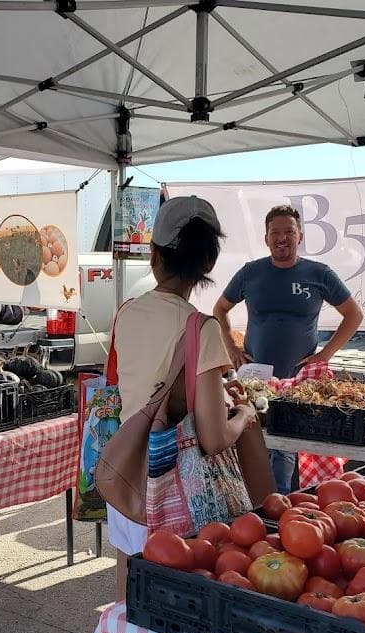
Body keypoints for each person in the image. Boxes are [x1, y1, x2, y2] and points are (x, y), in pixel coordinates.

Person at [107, 196, 258, 600]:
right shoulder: (201, 328)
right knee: (175, 600)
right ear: (208, 263)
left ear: (154, 254)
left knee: (129, 590)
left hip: (128, 470)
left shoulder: (126, 312)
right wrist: (244, 414)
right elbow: (214, 438)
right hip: (175, 486)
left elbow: (140, 383)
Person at [213, 204, 363, 493]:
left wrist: (325, 356)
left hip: (298, 381)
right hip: (254, 378)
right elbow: (220, 309)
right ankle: (253, 501)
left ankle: (278, 502)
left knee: (284, 448)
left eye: (289, 232)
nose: (282, 238)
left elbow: (353, 315)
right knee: (251, 438)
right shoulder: (251, 273)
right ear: (266, 238)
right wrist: (231, 347)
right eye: (275, 233)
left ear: (300, 236)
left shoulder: (319, 274)